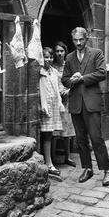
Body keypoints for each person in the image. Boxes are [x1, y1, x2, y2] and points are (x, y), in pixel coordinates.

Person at [61, 27, 109, 187]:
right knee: (81, 140)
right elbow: (64, 79)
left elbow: (101, 73)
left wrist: (82, 78)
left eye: (81, 40)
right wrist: (72, 80)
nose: (78, 43)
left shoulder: (96, 53)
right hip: (76, 104)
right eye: (75, 40)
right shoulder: (70, 58)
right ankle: (87, 168)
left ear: (87, 38)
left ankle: (107, 171)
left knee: (96, 138)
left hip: (92, 103)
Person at [39, 46, 65, 178]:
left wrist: (60, 102)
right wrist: (43, 105)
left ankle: (49, 160)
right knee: (46, 134)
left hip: (53, 105)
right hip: (45, 106)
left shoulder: (53, 72)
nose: (48, 59)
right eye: (45, 57)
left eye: (50, 57)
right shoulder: (40, 71)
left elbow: (57, 88)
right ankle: (48, 163)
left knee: (50, 133)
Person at [52, 41, 76, 168]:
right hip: (56, 100)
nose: (59, 53)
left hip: (67, 100)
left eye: (61, 51)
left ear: (65, 52)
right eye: (57, 51)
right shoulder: (52, 66)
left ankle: (67, 156)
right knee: (55, 130)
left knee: (67, 129)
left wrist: (68, 91)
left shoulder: (69, 65)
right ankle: (53, 157)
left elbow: (74, 81)